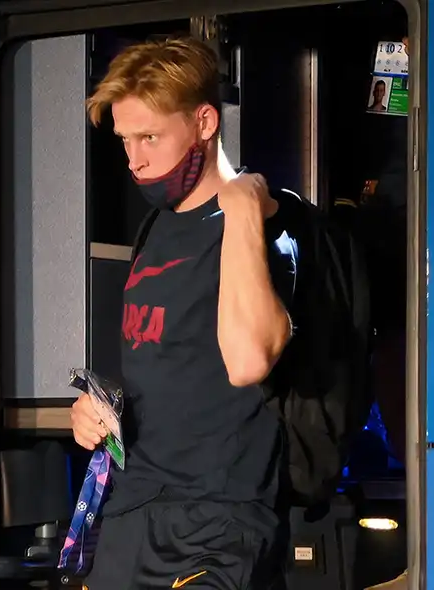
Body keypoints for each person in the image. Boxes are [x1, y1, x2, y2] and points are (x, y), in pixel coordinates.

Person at [69, 37, 297, 590]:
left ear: (204, 122)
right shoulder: (156, 226)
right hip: (134, 511)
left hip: (219, 520)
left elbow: (247, 361)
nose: (135, 160)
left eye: (149, 137)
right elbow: (169, 361)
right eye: (126, 142)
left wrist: (241, 207)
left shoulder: (267, 225)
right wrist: (95, 411)